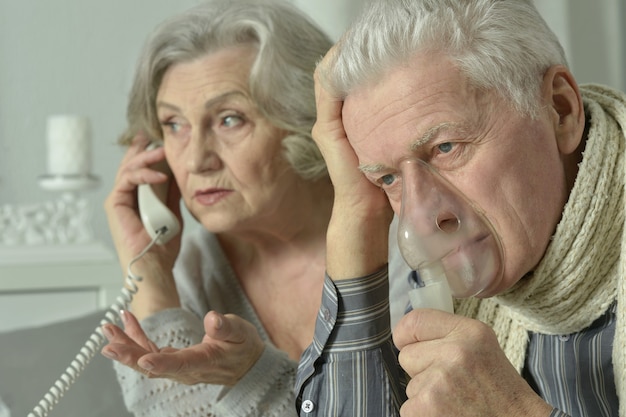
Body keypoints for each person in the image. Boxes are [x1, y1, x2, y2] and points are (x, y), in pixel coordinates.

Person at [295, 0, 625, 417]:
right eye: (388, 179)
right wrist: (356, 211)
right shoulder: (445, 272)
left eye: (446, 147)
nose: (421, 219)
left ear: (560, 110)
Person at [99, 1, 411, 416]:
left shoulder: (411, 246)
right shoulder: (192, 277)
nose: (195, 160)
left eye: (229, 120)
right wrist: (153, 284)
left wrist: (257, 374)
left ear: (306, 120)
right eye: (174, 125)